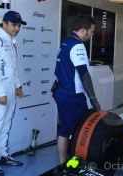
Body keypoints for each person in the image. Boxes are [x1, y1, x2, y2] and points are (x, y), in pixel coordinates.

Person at [0, 11, 26, 176]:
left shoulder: (11, 42)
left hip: (9, 90)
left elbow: (12, 68)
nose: (17, 28)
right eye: (14, 25)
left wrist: (18, 86)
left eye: (19, 25)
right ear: (5, 23)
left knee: (6, 123)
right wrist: (1, 92)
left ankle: (2, 155)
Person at [53, 15, 101, 163]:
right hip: (72, 97)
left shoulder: (66, 42)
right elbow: (84, 75)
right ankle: (74, 164)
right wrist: (94, 100)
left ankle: (63, 164)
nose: (92, 35)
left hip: (61, 93)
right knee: (79, 132)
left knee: (65, 130)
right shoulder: (77, 45)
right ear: (83, 30)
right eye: (91, 32)